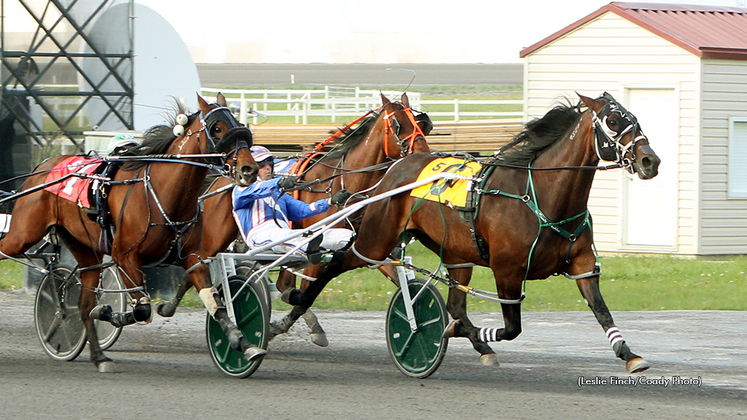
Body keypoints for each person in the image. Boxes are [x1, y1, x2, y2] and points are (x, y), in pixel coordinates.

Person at [232, 146, 352, 262]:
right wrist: (279, 182)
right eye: (262, 164)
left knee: (343, 235)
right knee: (286, 236)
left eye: (270, 163)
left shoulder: (280, 194)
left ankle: (352, 245)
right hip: (259, 237)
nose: (268, 167)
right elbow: (260, 189)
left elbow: (304, 209)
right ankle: (309, 249)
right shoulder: (241, 190)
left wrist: (330, 201)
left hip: (287, 235)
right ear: (250, 168)